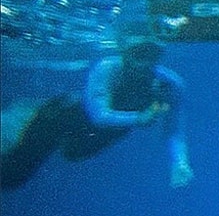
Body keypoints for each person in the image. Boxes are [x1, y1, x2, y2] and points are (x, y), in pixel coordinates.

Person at [1, 37, 192, 190]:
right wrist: (138, 118)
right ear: (125, 52)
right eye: (139, 54)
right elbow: (98, 114)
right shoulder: (107, 67)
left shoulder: (170, 84)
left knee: (72, 154)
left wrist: (180, 162)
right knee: (13, 174)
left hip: (94, 136)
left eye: (152, 55)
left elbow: (174, 128)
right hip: (61, 119)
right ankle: (21, 116)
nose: (144, 64)